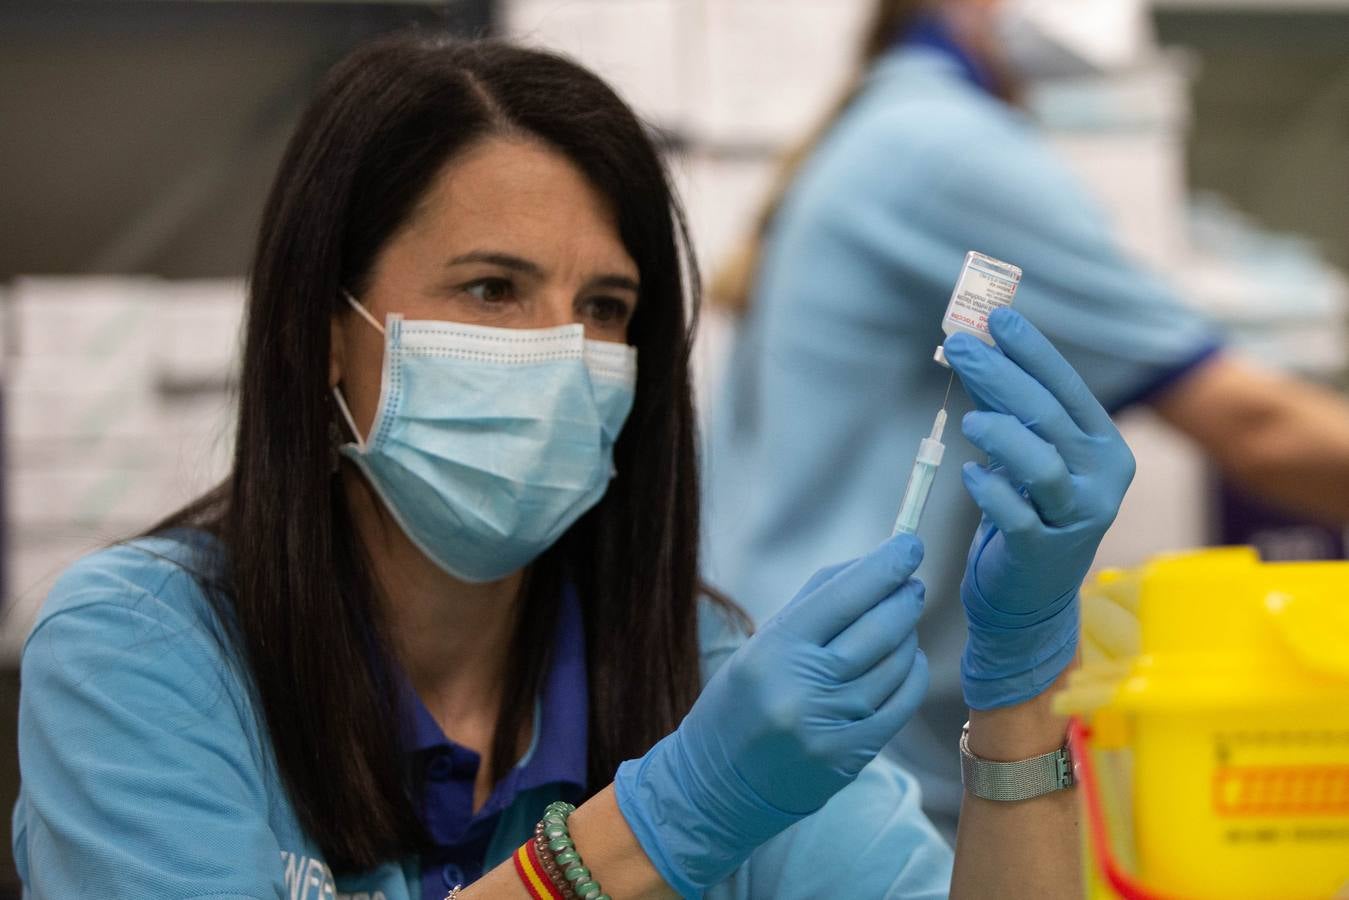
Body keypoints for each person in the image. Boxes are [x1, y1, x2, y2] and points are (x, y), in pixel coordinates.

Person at [13, 34, 1133, 900]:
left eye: (605, 308)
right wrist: (661, 826)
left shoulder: (695, 670)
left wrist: (1019, 695)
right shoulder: (143, 653)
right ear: (323, 332)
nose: (567, 356)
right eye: (491, 289)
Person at [704, 0, 1349, 839]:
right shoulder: (944, 148)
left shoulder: (896, 126)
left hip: (806, 690)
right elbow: (1256, 423)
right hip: (844, 715)